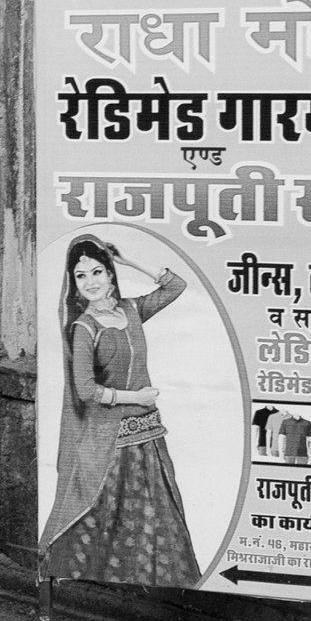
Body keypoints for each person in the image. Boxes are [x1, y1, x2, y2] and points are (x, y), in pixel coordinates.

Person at [41, 234, 203, 588]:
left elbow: (176, 286)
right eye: (80, 276)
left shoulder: (131, 310)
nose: (91, 282)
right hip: (107, 443)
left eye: (98, 271)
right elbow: (85, 390)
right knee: (107, 521)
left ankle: (153, 589)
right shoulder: (83, 329)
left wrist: (128, 259)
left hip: (146, 439)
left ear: (111, 274)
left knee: (155, 518)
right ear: (73, 284)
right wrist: (136, 398)